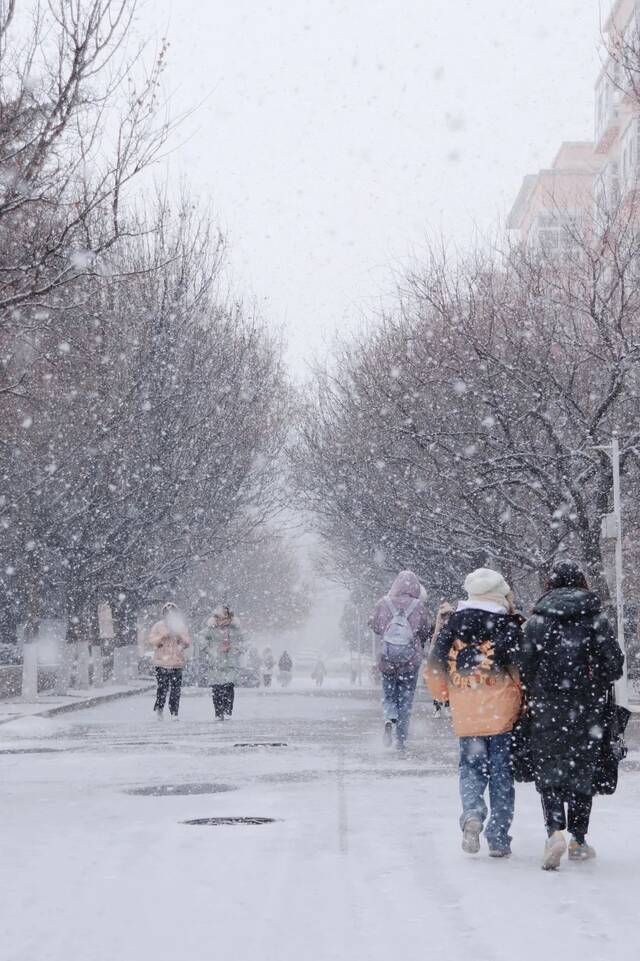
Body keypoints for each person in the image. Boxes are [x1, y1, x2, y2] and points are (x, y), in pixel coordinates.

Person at [520, 560, 624, 870]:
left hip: (547, 707)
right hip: (587, 707)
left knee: (549, 770)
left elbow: (525, 665)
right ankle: (578, 840)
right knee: (583, 770)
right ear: (582, 583)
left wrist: (540, 689)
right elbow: (614, 665)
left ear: (549, 586)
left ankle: (554, 832)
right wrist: (595, 684)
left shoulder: (537, 621)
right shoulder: (596, 620)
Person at [425, 568, 523, 858]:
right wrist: (522, 701)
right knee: (502, 776)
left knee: (470, 771)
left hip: (467, 715)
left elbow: (434, 668)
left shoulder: (452, 625)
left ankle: (472, 814)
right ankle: (499, 837)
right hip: (502, 716)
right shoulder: (507, 626)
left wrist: (445, 696)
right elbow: (520, 672)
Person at [369, 571, 431, 752]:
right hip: (410, 659)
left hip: (387, 657)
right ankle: (401, 741)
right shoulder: (418, 605)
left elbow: (374, 625)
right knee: (406, 699)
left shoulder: (384, 602)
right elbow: (426, 630)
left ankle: (389, 717)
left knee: (389, 694)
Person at [148, 602, 191, 720]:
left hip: (177, 662)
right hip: (161, 662)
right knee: (162, 688)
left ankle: (174, 712)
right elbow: (152, 641)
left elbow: (187, 642)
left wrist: (179, 637)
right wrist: (163, 636)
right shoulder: (158, 626)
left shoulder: (180, 626)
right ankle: (160, 708)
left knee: (176, 689)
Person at [201, 605, 245, 720]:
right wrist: (209, 650)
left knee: (229, 686)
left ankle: (227, 711)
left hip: (230, 662)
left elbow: (246, 639)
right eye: (222, 614)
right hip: (215, 662)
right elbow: (201, 638)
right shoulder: (211, 628)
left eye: (226, 614)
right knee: (217, 689)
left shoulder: (235, 629)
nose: (224, 616)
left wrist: (236, 648)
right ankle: (218, 712)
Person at [428, 601, 454, 717]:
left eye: (448, 614)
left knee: (446, 683)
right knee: (438, 683)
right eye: (444, 614)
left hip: (448, 658)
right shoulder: (436, 627)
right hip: (439, 658)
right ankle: (438, 707)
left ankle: (446, 706)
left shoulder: (452, 627)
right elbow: (432, 641)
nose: (446, 617)